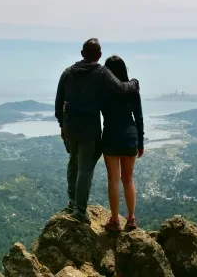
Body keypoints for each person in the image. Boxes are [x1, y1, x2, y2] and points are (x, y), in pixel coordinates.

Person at [55, 39, 140, 225]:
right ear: (99, 55)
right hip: (89, 130)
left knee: (73, 162)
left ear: (81, 52)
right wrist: (134, 83)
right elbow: (120, 87)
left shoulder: (67, 73)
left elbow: (58, 101)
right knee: (85, 168)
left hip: (70, 128)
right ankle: (79, 211)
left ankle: (72, 202)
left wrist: (62, 124)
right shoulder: (101, 73)